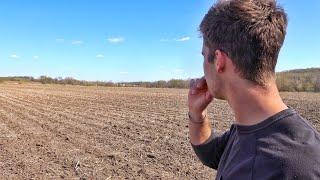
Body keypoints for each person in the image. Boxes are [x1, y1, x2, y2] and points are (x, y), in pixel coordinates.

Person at [188, 0, 320, 179]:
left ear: (219, 60)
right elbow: (212, 153)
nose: (203, 66)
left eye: (204, 55)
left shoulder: (291, 169)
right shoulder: (256, 129)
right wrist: (197, 115)